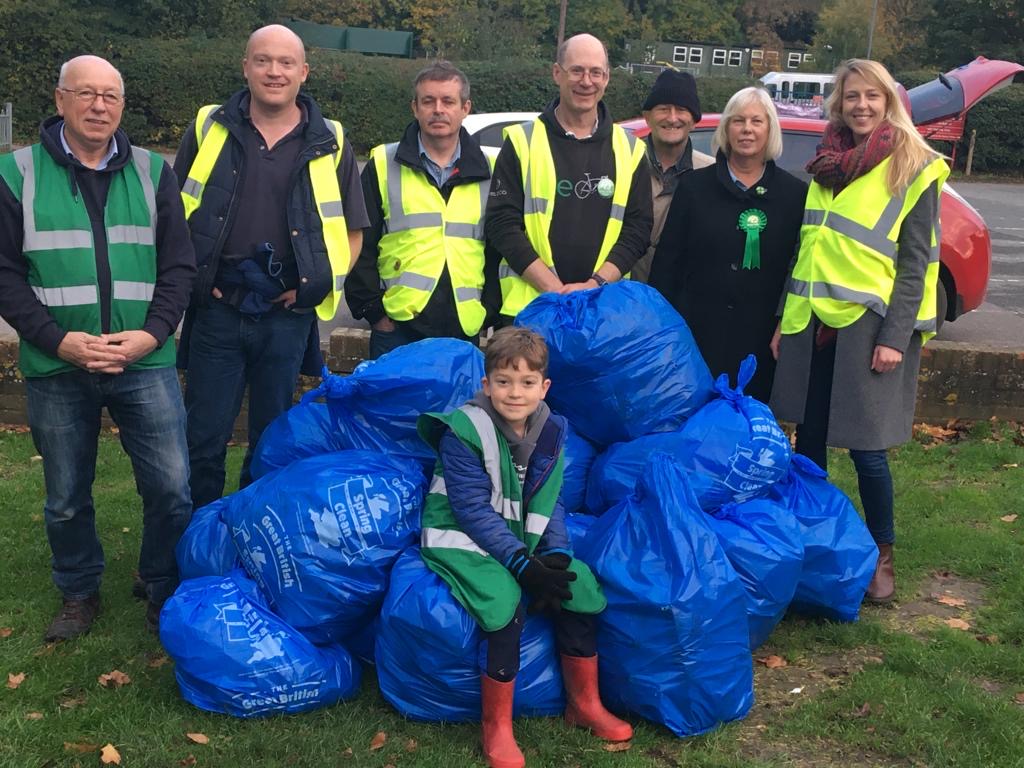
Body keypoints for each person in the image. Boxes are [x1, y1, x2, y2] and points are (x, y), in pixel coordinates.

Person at [0, 55, 196, 640]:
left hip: (144, 360)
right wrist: (58, 340)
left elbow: (179, 266)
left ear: (122, 105)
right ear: (59, 100)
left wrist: (152, 334)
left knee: (171, 488)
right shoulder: (17, 174)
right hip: (57, 363)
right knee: (64, 494)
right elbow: (5, 273)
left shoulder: (152, 172)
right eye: (85, 93)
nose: (98, 105)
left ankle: (160, 583)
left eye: (110, 95)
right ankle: (79, 591)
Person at [771, 59, 949, 602]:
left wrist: (897, 336)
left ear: (889, 101)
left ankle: (883, 554)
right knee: (811, 443)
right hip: (812, 321)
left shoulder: (914, 164)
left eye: (872, 96)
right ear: (839, 104)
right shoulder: (826, 161)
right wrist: (784, 317)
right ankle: (820, 545)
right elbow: (809, 243)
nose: (861, 106)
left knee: (869, 450)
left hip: (869, 329)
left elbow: (917, 262)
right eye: (852, 97)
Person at [417, 327, 632, 768]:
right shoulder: (464, 429)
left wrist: (553, 555)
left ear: (544, 386)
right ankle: (497, 728)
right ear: (486, 385)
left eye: (527, 382)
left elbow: (548, 500)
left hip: (516, 535)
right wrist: (521, 564)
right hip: (458, 537)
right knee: (502, 600)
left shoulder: (552, 429)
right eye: (503, 381)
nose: (515, 393)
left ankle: (584, 705)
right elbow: (472, 511)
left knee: (580, 587)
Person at [173, 24, 368, 509]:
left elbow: (352, 232)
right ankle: (195, 549)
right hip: (218, 311)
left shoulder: (332, 139)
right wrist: (199, 280)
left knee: (271, 442)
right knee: (202, 440)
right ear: (245, 66)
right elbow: (174, 213)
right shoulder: (208, 127)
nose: (274, 71)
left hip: (287, 318)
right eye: (263, 60)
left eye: (285, 63)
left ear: (304, 72)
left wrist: (312, 289)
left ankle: (251, 543)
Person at [650, 87, 806, 401]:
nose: (747, 129)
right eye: (738, 121)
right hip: (697, 335)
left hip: (762, 339)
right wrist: (663, 328)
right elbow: (668, 264)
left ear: (770, 130)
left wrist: (785, 324)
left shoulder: (795, 195)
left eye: (756, 121)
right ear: (726, 129)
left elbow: (797, 269)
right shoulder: (694, 188)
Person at [486, 34, 652, 322]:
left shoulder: (631, 149)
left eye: (595, 72)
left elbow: (638, 231)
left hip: (602, 311)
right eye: (576, 70)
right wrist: (555, 290)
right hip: (531, 311)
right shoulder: (522, 141)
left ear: (607, 78)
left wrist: (594, 286)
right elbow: (501, 224)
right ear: (557, 73)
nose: (586, 81)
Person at [345, 61, 499, 359]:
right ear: (414, 108)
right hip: (397, 327)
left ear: (465, 108)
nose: (438, 109)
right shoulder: (383, 164)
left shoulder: (490, 172)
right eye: (428, 101)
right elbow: (357, 242)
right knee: (392, 408)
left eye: (448, 101)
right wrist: (375, 312)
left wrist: (488, 312)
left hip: (463, 327)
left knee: (455, 409)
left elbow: (498, 249)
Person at [632, 69, 713, 283]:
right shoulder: (624, 163)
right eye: (663, 109)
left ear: (694, 120)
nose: (672, 117)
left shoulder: (710, 172)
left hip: (680, 302)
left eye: (681, 109)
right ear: (647, 117)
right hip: (620, 298)